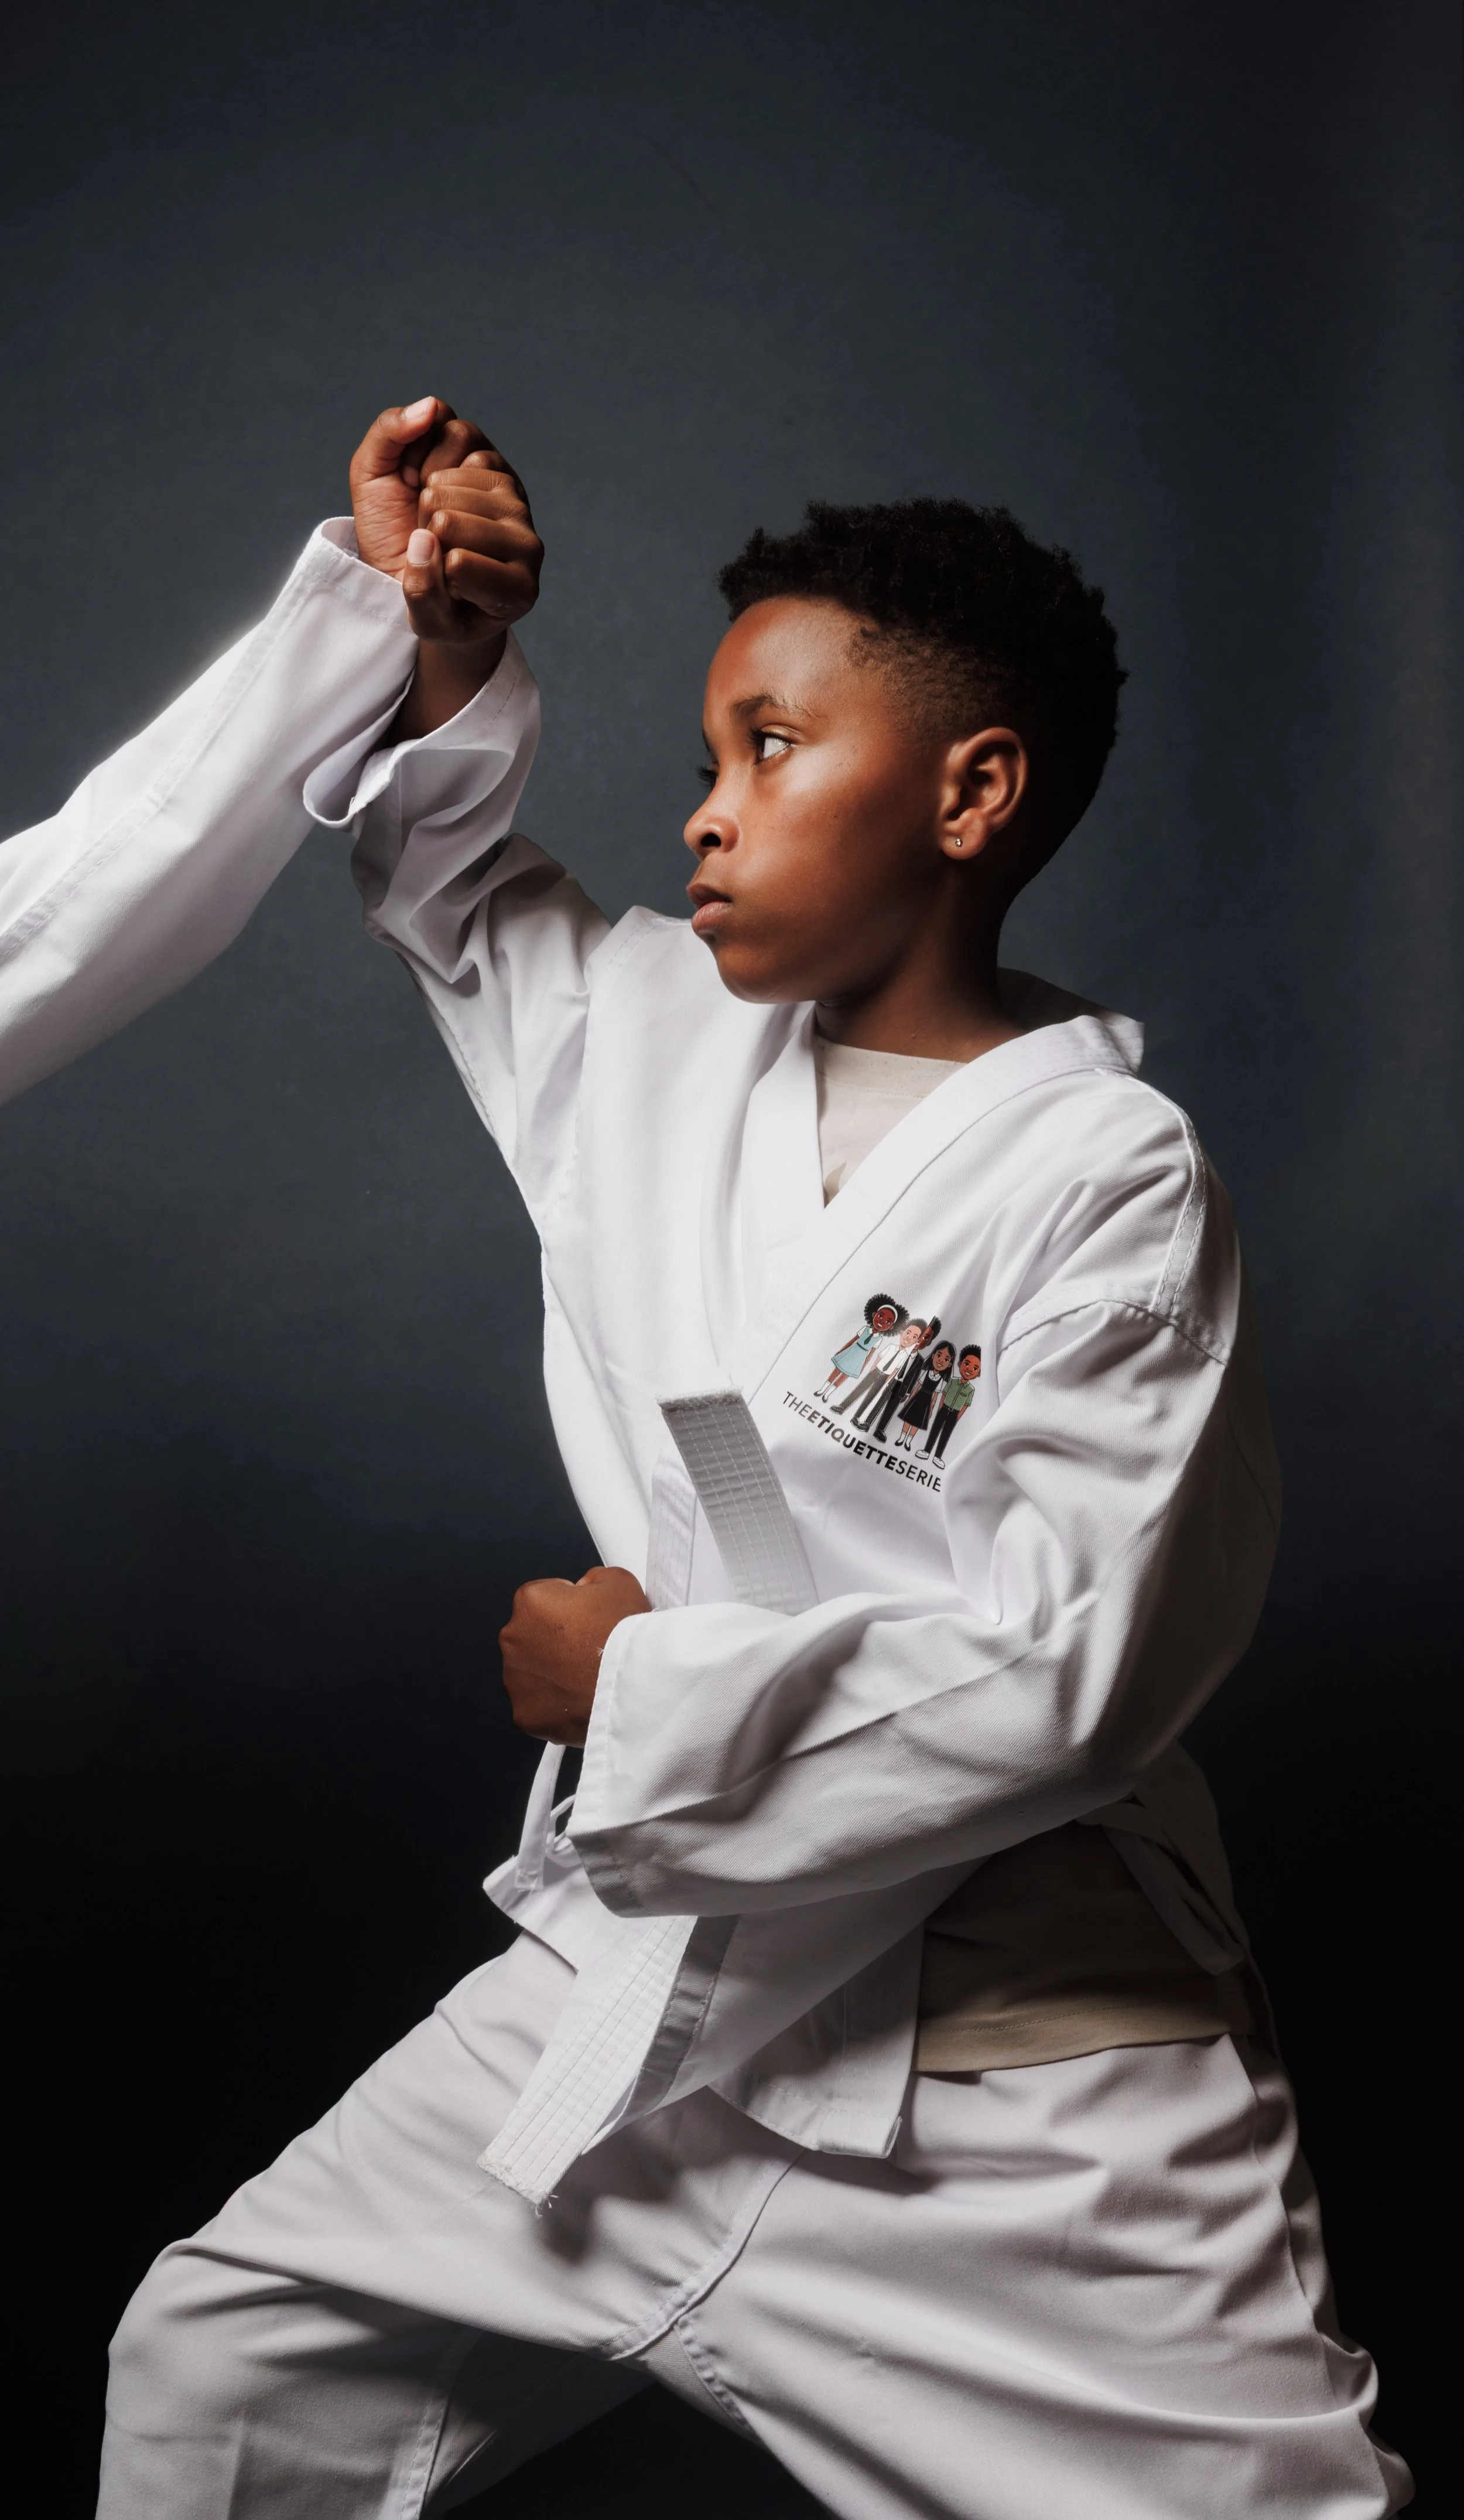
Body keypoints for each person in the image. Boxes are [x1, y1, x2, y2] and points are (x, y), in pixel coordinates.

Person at [0, 401, 1410, 2518]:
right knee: (224, 2367)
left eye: (769, 750)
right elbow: (452, 887)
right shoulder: (654, 1036)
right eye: (701, 759)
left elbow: (1070, 1666)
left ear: (971, 792)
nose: (705, 815)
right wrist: (442, 636)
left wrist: (634, 1688)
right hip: (646, 2004)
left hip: (1004, 2065)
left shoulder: (1105, 1181)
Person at [924, 1343, 981, 1462]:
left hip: (954, 1414)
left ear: (979, 1373)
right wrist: (940, 1408)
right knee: (935, 1430)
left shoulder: (971, 1390)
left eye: (975, 1368)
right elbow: (944, 1394)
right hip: (944, 1409)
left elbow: (966, 1405)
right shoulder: (953, 1381)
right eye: (967, 1364)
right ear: (960, 1364)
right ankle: (927, 1451)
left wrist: (957, 1417)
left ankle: (938, 1457)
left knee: (946, 1434)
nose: (970, 1369)